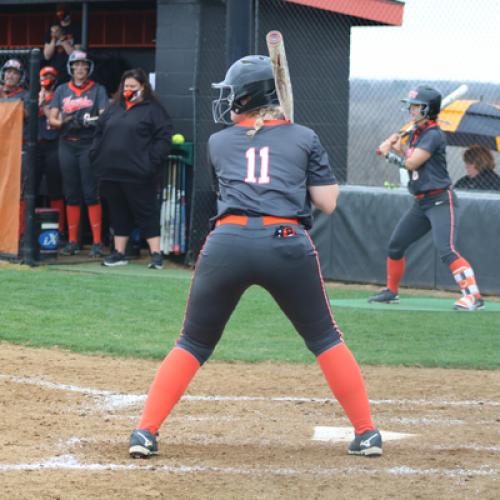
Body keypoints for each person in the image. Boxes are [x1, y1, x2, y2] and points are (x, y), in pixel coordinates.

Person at [128, 55, 382, 459]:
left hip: (227, 242)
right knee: (325, 338)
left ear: (249, 96)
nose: (227, 100)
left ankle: (145, 432)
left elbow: (229, 187)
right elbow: (328, 203)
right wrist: (300, 167)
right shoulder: (304, 137)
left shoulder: (218, 141)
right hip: (287, 242)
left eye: (232, 93)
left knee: (192, 342)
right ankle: (367, 433)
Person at [370, 86, 484, 311]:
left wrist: (388, 154)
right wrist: (396, 147)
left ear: (427, 109)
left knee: (446, 248)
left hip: (440, 200)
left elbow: (412, 163)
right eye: (411, 106)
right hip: (421, 202)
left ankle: (473, 297)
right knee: (396, 245)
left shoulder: (433, 134)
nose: (411, 110)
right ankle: (392, 292)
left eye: (416, 106)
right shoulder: (416, 133)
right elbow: (410, 155)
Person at [89, 68, 173, 270]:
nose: (128, 89)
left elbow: (164, 138)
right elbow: (99, 131)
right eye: (126, 86)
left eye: (133, 86)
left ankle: (155, 255)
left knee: (146, 212)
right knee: (118, 213)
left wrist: (149, 162)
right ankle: (119, 253)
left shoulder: (154, 109)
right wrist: (96, 154)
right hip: (111, 172)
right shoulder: (114, 107)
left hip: (139, 173)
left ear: (143, 87)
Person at [48, 50, 108, 256]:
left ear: (88, 67)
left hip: (88, 144)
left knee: (91, 193)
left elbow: (103, 117)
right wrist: (65, 120)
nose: (80, 68)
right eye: (76, 65)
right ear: (71, 68)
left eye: (83, 65)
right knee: (71, 193)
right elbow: (52, 120)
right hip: (67, 143)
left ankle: (97, 242)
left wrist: (86, 120)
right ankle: (73, 241)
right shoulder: (62, 90)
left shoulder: (97, 90)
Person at [0, 59, 30, 239]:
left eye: (14, 73)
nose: (10, 76)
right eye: (7, 72)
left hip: (18, 148)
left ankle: (17, 236)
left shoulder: (25, 95)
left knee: (18, 192)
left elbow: (26, 115)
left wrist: (7, 99)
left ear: (20, 77)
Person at [37, 66, 66, 237]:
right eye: (44, 76)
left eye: (50, 76)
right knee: (30, 190)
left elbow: (59, 120)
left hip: (54, 143)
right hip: (35, 144)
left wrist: (46, 105)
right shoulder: (31, 94)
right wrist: (39, 100)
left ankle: (59, 230)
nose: (47, 79)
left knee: (56, 189)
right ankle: (25, 230)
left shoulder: (60, 95)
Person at [43, 4, 81, 84]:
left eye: (64, 11)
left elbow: (75, 55)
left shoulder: (77, 28)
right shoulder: (52, 28)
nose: (61, 15)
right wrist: (54, 38)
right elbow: (47, 56)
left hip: (71, 70)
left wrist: (62, 38)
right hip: (55, 70)